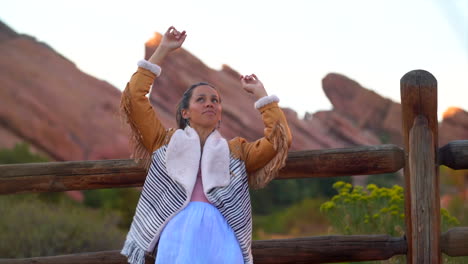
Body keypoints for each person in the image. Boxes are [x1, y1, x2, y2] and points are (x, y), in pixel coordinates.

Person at [120, 26, 292, 264]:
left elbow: (279, 139)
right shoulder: (165, 143)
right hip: (177, 233)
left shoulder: (236, 151)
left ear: (220, 113)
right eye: (201, 99)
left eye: (215, 101)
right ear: (185, 112)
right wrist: (163, 49)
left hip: (223, 236)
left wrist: (261, 95)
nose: (210, 104)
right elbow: (134, 100)